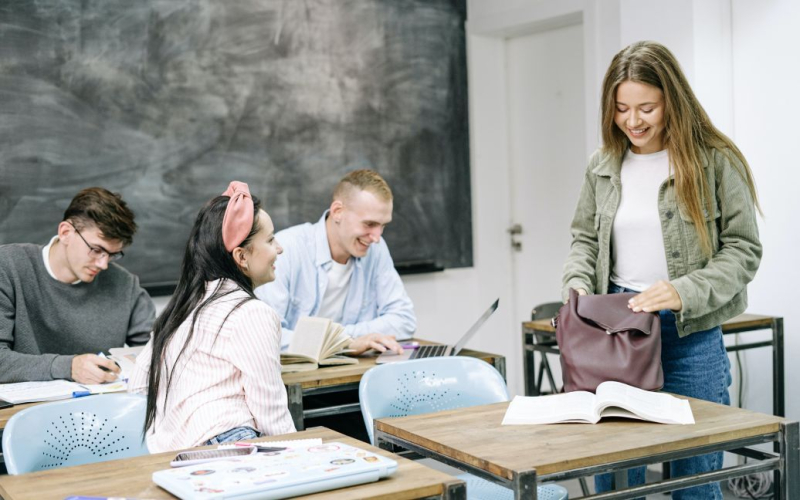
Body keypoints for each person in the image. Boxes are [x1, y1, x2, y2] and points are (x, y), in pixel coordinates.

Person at [562, 41, 761, 500]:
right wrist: (576, 281)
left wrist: (683, 291)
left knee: (697, 478)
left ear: (672, 100)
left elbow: (743, 250)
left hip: (690, 336)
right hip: (616, 333)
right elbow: (584, 239)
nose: (633, 121)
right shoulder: (603, 165)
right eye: (621, 109)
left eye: (647, 107)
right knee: (616, 480)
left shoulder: (714, 159)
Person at [129, 182, 295, 453]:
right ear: (241, 257)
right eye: (270, 239)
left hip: (171, 452)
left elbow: (138, 385)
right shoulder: (252, 313)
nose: (280, 249)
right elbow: (270, 412)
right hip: (230, 442)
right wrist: (299, 457)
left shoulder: (183, 305)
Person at [0, 187, 155, 384]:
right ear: (65, 232)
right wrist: (69, 367)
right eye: (96, 249)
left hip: (99, 408)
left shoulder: (125, 284)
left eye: (113, 254)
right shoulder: (7, 267)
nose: (103, 264)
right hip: (21, 411)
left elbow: (154, 352)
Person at [256, 169, 415, 355]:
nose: (377, 237)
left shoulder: (376, 250)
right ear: (338, 212)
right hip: (299, 380)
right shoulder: (285, 250)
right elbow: (269, 336)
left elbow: (404, 320)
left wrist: (344, 339)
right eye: (369, 224)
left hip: (353, 372)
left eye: (383, 226)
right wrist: (345, 342)